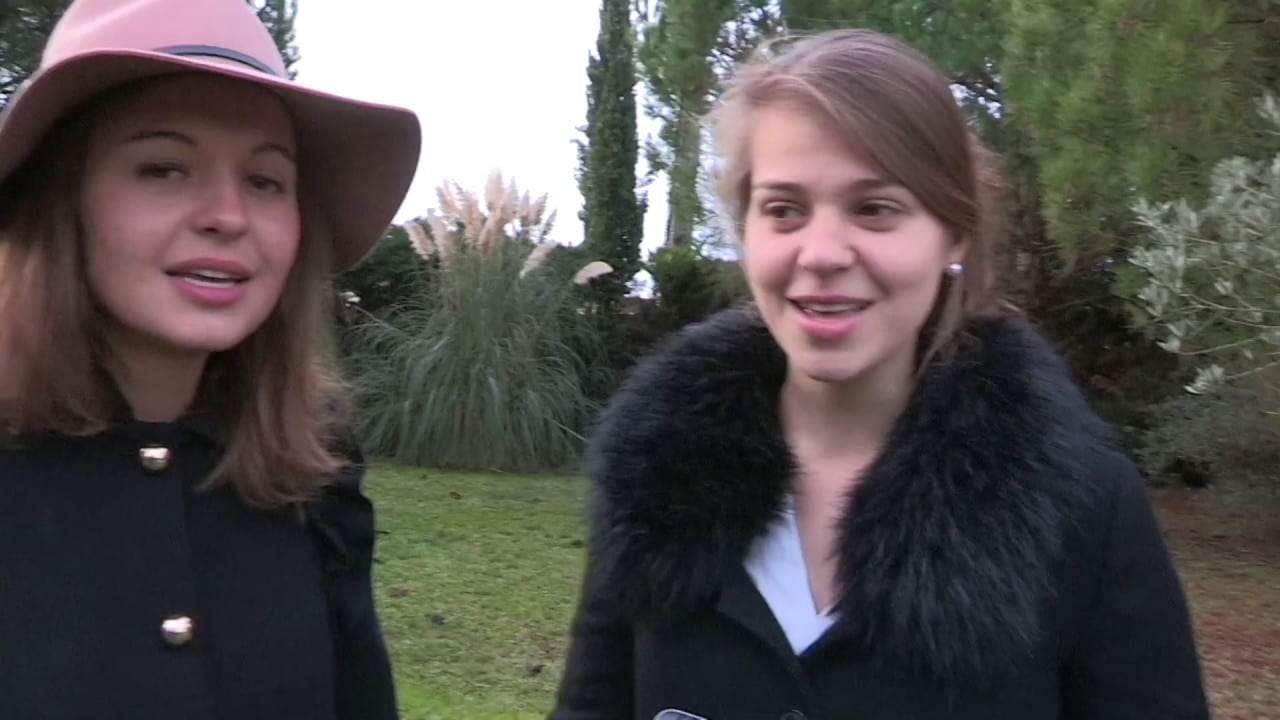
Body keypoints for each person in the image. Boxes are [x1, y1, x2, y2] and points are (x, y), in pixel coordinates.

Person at [550, 29, 1210, 720]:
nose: (822, 253)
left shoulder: (1087, 511)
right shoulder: (654, 481)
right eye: (784, 210)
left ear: (954, 233)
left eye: (875, 209)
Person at [0, 0, 420, 718]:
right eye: (164, 168)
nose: (228, 215)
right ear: (62, 201)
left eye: (265, 181)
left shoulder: (311, 481)